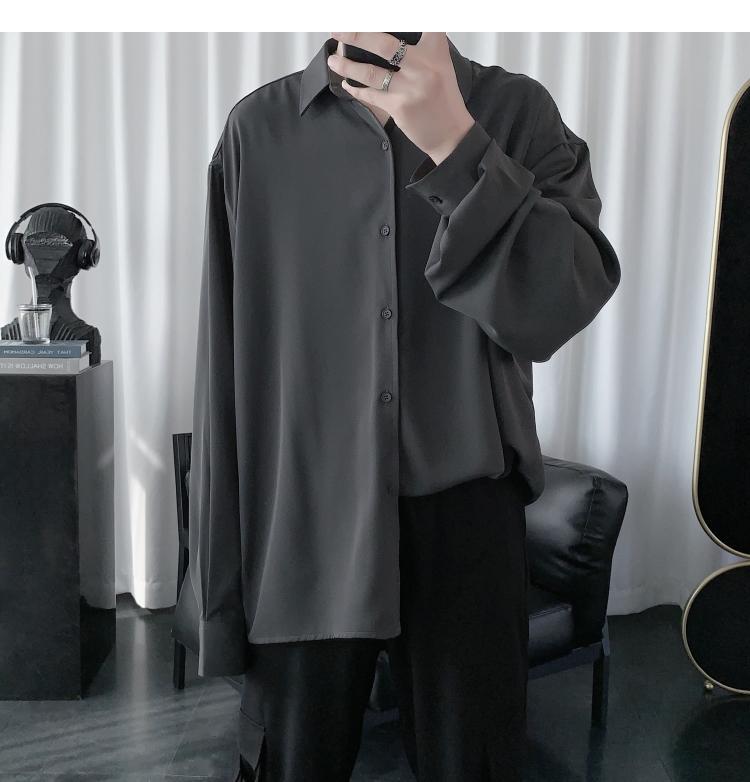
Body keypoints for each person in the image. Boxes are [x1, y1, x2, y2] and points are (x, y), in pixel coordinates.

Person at [188, 32, 621, 782]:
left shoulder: (518, 114)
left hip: (468, 519)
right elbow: (224, 367)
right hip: (305, 524)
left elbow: (559, 305)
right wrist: (219, 601)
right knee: (293, 763)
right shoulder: (258, 132)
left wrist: (457, 145)